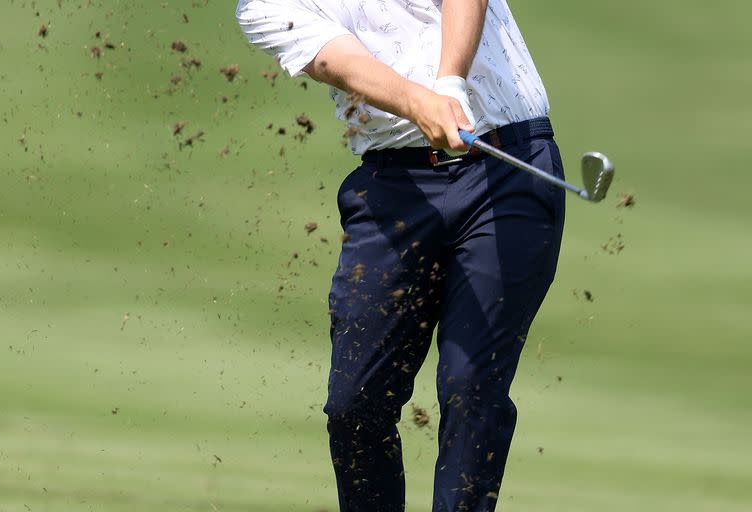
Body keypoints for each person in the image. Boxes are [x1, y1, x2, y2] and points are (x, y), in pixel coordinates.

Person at [236, 1, 565, 510]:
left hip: (507, 166)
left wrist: (449, 82)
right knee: (354, 404)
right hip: (393, 187)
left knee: (471, 384)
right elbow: (340, 60)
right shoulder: (263, 6)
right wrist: (418, 101)